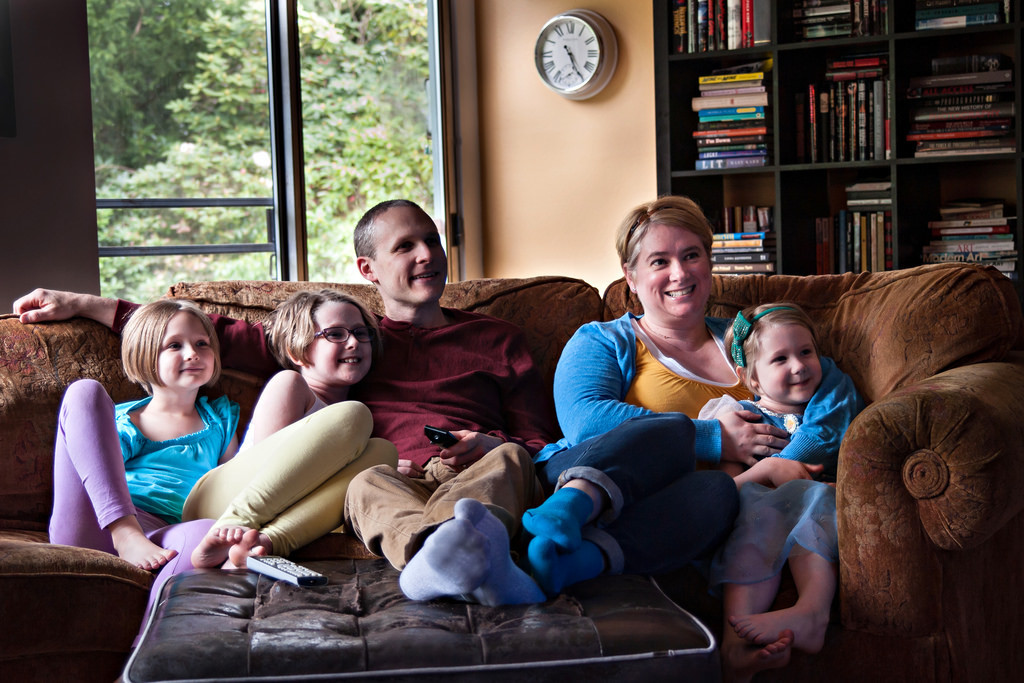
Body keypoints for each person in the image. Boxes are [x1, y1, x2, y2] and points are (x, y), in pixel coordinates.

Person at [14, 199, 557, 607]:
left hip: (472, 468)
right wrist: (88, 302)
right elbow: (206, 333)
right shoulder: (340, 353)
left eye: (433, 241)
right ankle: (436, 551)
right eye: (405, 247)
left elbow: (539, 441)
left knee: (479, 459)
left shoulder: (493, 339)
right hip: (382, 481)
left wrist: (493, 443)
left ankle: (461, 549)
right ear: (368, 270)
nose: (428, 256)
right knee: (370, 450)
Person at [516, 196, 861, 678]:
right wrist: (713, 439)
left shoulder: (751, 341)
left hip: (704, 502)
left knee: (717, 493)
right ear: (631, 276)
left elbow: (828, 394)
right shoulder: (604, 339)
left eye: (692, 255)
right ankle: (568, 511)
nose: (679, 272)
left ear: (710, 262)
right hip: (594, 473)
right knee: (667, 431)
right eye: (660, 261)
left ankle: (578, 561)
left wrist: (781, 471)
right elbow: (585, 420)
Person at [701, 303, 862, 682]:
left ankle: (812, 613)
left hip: (824, 508)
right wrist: (768, 474)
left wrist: (792, 480)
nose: (799, 366)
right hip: (759, 524)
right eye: (780, 359)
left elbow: (821, 443)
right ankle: (734, 645)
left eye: (806, 352)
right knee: (754, 514)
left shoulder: (829, 401)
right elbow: (728, 489)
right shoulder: (739, 418)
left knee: (810, 498)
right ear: (752, 377)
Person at [186, 289, 398, 568]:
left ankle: (262, 544)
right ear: (296, 351)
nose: (353, 343)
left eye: (361, 333)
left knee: (385, 454)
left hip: (270, 523)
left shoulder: (353, 434)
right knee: (354, 415)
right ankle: (234, 524)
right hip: (219, 499)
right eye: (335, 334)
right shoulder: (291, 385)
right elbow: (270, 474)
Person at [48, 299, 238, 600]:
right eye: (174, 345)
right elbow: (97, 475)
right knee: (85, 392)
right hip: (98, 524)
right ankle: (125, 531)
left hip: (165, 533)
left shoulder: (221, 419)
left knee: (209, 532)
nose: (193, 354)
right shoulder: (124, 420)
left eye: (202, 343)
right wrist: (124, 527)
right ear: (145, 357)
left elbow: (233, 484)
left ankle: (153, 638)